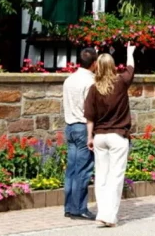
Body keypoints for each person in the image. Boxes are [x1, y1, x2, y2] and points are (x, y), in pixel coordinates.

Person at [85, 45, 135, 228]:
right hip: (117, 136)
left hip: (99, 137)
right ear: (113, 66)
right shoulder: (120, 83)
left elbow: (89, 117)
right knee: (116, 177)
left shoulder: (93, 89)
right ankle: (109, 215)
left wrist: (89, 137)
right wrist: (130, 52)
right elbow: (131, 68)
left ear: (97, 67)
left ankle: (102, 212)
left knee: (101, 177)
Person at [62, 47, 98, 220]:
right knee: (83, 170)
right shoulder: (90, 82)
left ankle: (69, 207)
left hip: (70, 126)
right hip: (84, 128)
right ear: (94, 63)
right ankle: (80, 209)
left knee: (72, 169)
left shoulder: (69, 79)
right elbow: (91, 109)